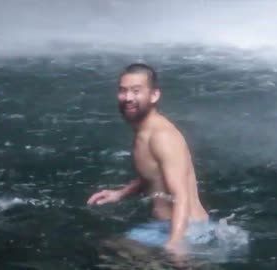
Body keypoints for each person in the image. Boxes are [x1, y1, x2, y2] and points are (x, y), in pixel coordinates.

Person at [87, 63, 209, 253]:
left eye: (136, 91)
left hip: (187, 230)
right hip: (164, 227)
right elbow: (153, 174)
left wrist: (175, 244)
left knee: (114, 254)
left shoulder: (162, 136)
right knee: (110, 251)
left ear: (154, 95)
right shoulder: (144, 130)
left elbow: (181, 195)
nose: (128, 98)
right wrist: (121, 193)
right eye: (123, 91)